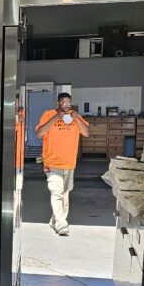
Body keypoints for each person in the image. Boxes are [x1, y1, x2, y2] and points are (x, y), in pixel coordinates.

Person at [35, 92, 89, 236]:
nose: (67, 105)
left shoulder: (74, 116)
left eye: (69, 103)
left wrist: (77, 119)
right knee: (57, 192)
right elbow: (39, 133)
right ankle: (61, 224)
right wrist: (54, 118)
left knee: (65, 194)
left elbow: (86, 133)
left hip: (69, 162)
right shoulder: (48, 115)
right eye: (64, 102)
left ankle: (55, 220)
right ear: (58, 103)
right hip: (52, 162)